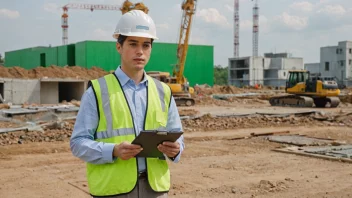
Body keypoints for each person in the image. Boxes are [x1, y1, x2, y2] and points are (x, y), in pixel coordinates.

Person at [70, 10, 184, 198]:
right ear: (119, 47)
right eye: (133, 44)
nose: (140, 51)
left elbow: (177, 135)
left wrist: (176, 149)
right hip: (114, 190)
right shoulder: (98, 91)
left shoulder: (163, 91)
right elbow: (78, 143)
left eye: (146, 45)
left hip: (155, 189)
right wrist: (113, 150)